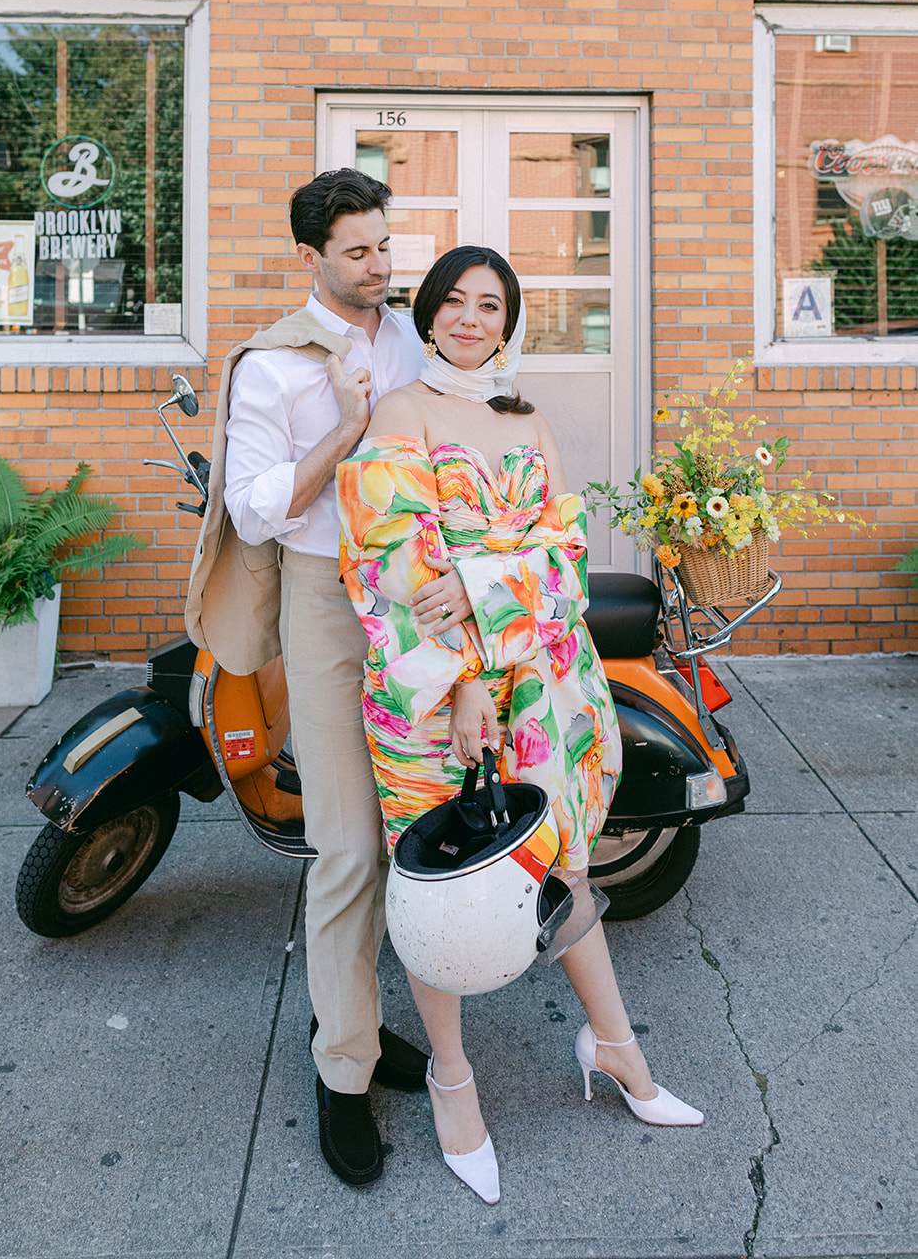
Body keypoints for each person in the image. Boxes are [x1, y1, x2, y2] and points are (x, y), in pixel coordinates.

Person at [335, 245, 703, 1207]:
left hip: (543, 685)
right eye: (452, 301)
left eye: (488, 305)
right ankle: (452, 1085)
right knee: (444, 890)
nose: (469, 318)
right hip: (428, 695)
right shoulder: (398, 415)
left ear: (510, 321)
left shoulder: (525, 418)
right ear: (426, 314)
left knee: (560, 868)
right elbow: (393, 569)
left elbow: (566, 562)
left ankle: (616, 1047)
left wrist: (486, 587)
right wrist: (465, 674)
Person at [186, 167, 461, 1188]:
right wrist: (341, 431)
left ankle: (371, 1018)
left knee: (417, 826)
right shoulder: (270, 367)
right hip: (324, 599)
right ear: (308, 257)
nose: (379, 266)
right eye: (356, 251)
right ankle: (342, 1067)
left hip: (416, 590)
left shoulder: (403, 332)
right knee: (345, 842)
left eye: (384, 245)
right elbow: (254, 508)